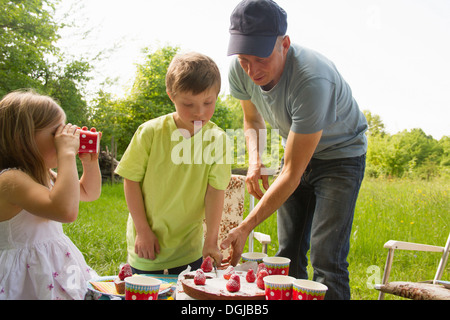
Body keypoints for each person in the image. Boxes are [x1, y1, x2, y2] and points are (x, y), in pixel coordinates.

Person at [221, 0, 367, 300]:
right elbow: (251, 119)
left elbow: (291, 173)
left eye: (259, 58)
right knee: (286, 253)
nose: (251, 70)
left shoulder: (312, 79)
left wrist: (246, 227)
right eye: (244, 58)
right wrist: (256, 160)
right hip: (297, 151)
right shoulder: (240, 70)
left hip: (341, 157)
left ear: (284, 44)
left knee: (327, 257)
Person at [115, 52, 231, 275]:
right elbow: (131, 182)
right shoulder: (149, 133)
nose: (199, 112)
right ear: (172, 96)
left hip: (190, 249)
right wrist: (142, 231)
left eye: (208, 102)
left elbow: (215, 192)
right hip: (148, 243)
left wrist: (211, 241)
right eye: (188, 104)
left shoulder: (219, 140)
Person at [0, 90, 102, 300]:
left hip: (51, 270)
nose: (63, 138)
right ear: (23, 138)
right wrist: (66, 154)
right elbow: (65, 211)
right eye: (56, 133)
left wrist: (89, 163)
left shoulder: (44, 174)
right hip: (26, 279)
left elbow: (87, 192)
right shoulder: (10, 180)